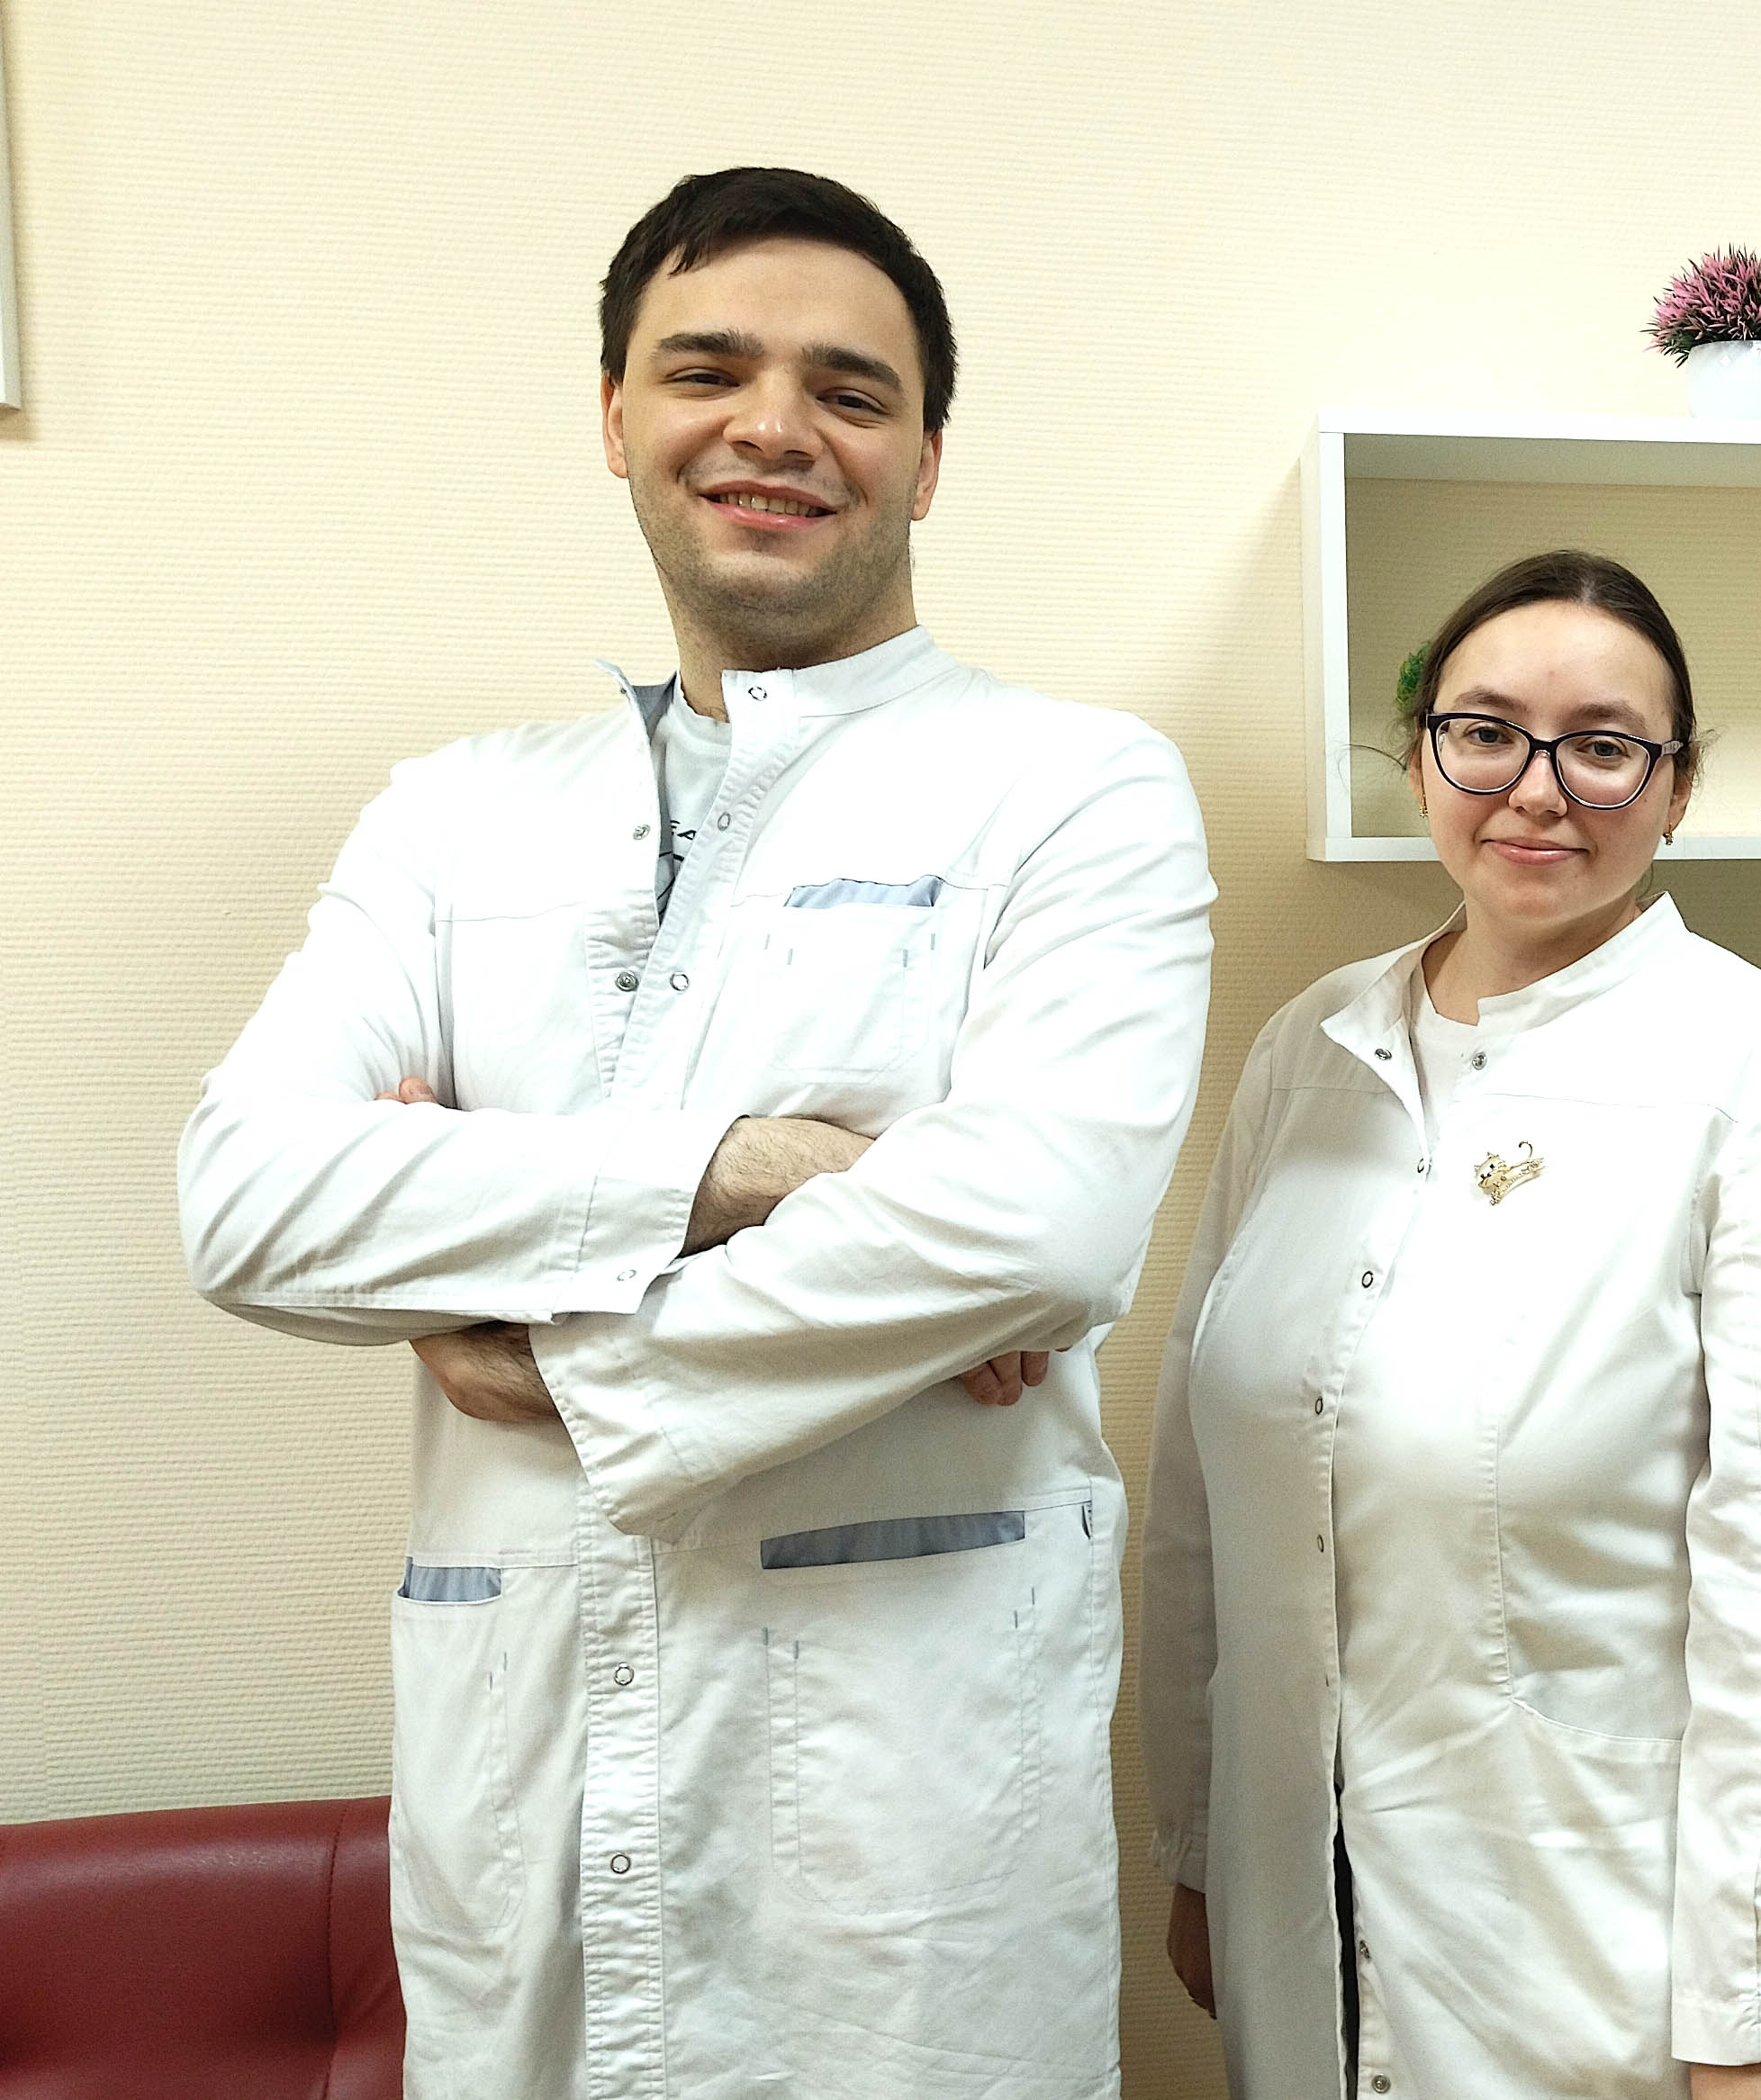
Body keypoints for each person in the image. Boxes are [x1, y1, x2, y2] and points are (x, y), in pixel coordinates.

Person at [176, 167, 1214, 2098]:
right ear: (615, 418)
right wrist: (757, 1174)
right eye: (706, 370)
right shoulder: (454, 814)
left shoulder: (1073, 788)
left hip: (903, 1835)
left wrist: (519, 1323)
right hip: (525, 1784)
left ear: (925, 461)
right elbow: (244, 1199)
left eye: (849, 390)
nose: (772, 427)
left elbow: (1036, 1230)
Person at [1140, 550, 1761, 2100]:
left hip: (1612, 1960)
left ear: (1676, 787)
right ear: (1420, 754)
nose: (1537, 789)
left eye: (1603, 745)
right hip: (1303, 1914)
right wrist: (1201, 1843)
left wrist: (1753, 2017)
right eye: (1486, 732)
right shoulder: (1310, 1048)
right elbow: (1203, 1489)